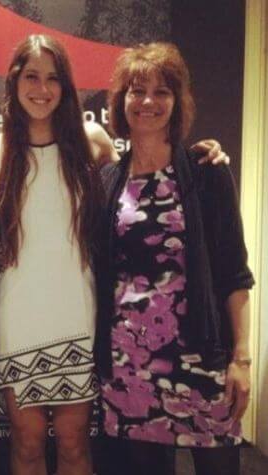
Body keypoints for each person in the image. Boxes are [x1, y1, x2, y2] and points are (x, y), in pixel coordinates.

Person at [0, 34, 226, 475]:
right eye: (31, 76)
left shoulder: (92, 141)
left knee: (74, 445)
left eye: (53, 78)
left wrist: (204, 154)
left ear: (66, 86)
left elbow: (141, 176)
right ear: (14, 82)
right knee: (27, 445)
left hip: (77, 309)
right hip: (19, 316)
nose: (42, 88)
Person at [94, 42, 254, 475]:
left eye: (162, 91)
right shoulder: (108, 179)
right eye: (137, 90)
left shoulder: (206, 170)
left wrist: (241, 359)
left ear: (177, 102)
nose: (148, 101)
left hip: (201, 357)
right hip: (130, 363)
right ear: (121, 100)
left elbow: (234, 272)